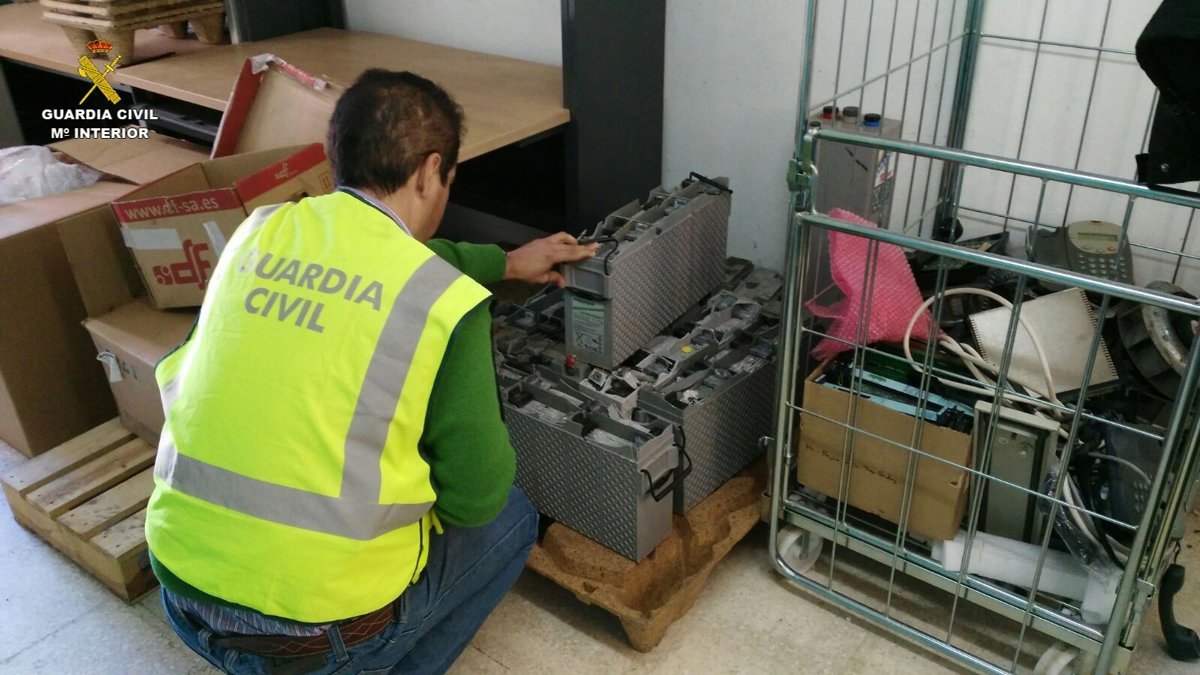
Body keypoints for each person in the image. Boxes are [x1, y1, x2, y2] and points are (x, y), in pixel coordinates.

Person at [146, 68, 598, 674]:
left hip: (180, 587)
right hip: (317, 642)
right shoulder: (447, 307)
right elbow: (475, 499)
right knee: (512, 516)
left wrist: (506, 263)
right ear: (430, 172)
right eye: (449, 180)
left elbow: (384, 258)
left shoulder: (257, 231)